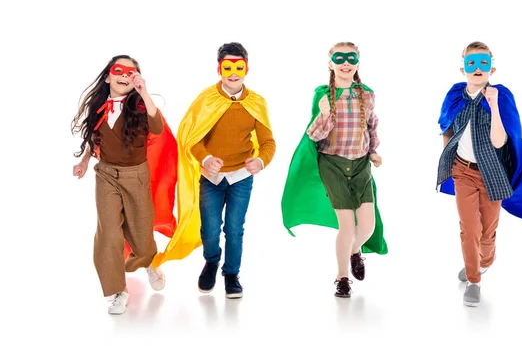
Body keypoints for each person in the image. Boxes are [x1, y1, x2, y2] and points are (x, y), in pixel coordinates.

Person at [436, 41, 522, 307]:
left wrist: (494, 106)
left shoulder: (501, 95)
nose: (477, 68)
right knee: (469, 229)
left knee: (487, 232)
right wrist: (448, 164)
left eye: (483, 63)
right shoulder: (455, 95)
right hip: (463, 171)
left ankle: (484, 261)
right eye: (471, 63)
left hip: (492, 174)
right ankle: (474, 281)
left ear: (492, 68)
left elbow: (500, 142)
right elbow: (446, 128)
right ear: (462, 68)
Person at [153, 42, 276, 299]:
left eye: (238, 67)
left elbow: (267, 142)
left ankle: (231, 274)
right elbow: (191, 137)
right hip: (211, 177)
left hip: (241, 176)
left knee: (234, 227)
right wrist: (205, 158)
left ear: (246, 69)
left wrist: (261, 161)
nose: (233, 73)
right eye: (228, 67)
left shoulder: (255, 103)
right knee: (209, 227)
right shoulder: (207, 100)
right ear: (219, 69)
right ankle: (211, 261)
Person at [71, 55, 177, 315]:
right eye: (119, 70)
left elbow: (157, 128)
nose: (124, 76)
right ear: (108, 76)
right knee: (108, 233)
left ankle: (149, 260)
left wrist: (144, 92)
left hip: (135, 176)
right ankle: (118, 290)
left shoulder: (141, 107)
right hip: (106, 175)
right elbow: (93, 137)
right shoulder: (98, 106)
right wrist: (85, 161)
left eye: (131, 73)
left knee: (141, 237)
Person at [281, 41, 387, 298]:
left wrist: (373, 151)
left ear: (358, 63)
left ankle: (354, 251)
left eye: (351, 58)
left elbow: (371, 127)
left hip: (360, 164)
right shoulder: (323, 95)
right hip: (333, 164)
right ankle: (342, 277)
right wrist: (324, 114)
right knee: (347, 226)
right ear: (331, 64)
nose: (346, 63)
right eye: (339, 59)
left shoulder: (367, 94)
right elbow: (314, 136)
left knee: (368, 226)